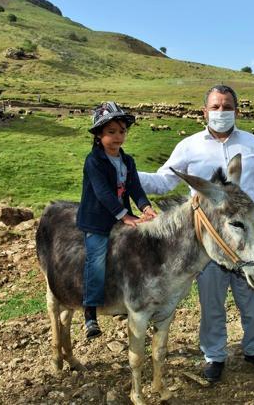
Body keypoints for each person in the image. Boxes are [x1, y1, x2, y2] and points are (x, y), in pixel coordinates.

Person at [138, 85, 254, 383]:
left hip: (246, 237)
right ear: (204, 111)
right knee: (212, 302)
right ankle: (215, 355)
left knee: (252, 297)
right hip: (209, 242)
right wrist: (126, 172)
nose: (221, 112)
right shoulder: (190, 146)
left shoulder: (252, 143)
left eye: (226, 106)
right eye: (215, 107)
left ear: (236, 111)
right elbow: (164, 181)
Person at [76, 101, 157, 339]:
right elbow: (102, 193)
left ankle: (126, 300)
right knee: (97, 260)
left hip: (121, 217)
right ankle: (90, 312)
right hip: (97, 220)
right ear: (98, 135)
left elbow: (134, 187)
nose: (118, 137)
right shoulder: (93, 161)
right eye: (111, 132)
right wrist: (126, 216)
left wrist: (146, 207)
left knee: (133, 256)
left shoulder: (127, 161)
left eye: (122, 131)